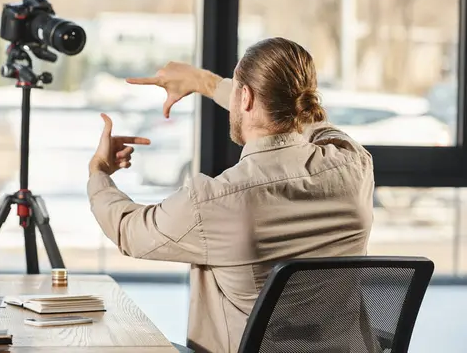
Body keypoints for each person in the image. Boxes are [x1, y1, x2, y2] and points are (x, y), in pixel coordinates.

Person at [87, 37, 374, 352]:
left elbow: (129, 230)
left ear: (246, 98)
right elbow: (312, 123)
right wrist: (205, 83)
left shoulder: (216, 201)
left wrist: (99, 172)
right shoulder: (354, 163)